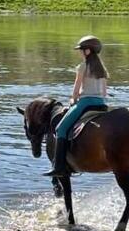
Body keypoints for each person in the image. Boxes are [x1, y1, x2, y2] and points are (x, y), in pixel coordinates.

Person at [44, 35, 108, 177]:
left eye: (81, 50)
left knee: (60, 129)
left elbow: (76, 89)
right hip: (101, 104)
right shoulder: (102, 68)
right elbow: (104, 92)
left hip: (85, 103)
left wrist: (73, 100)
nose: (79, 52)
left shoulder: (83, 66)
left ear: (87, 51)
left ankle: (59, 167)